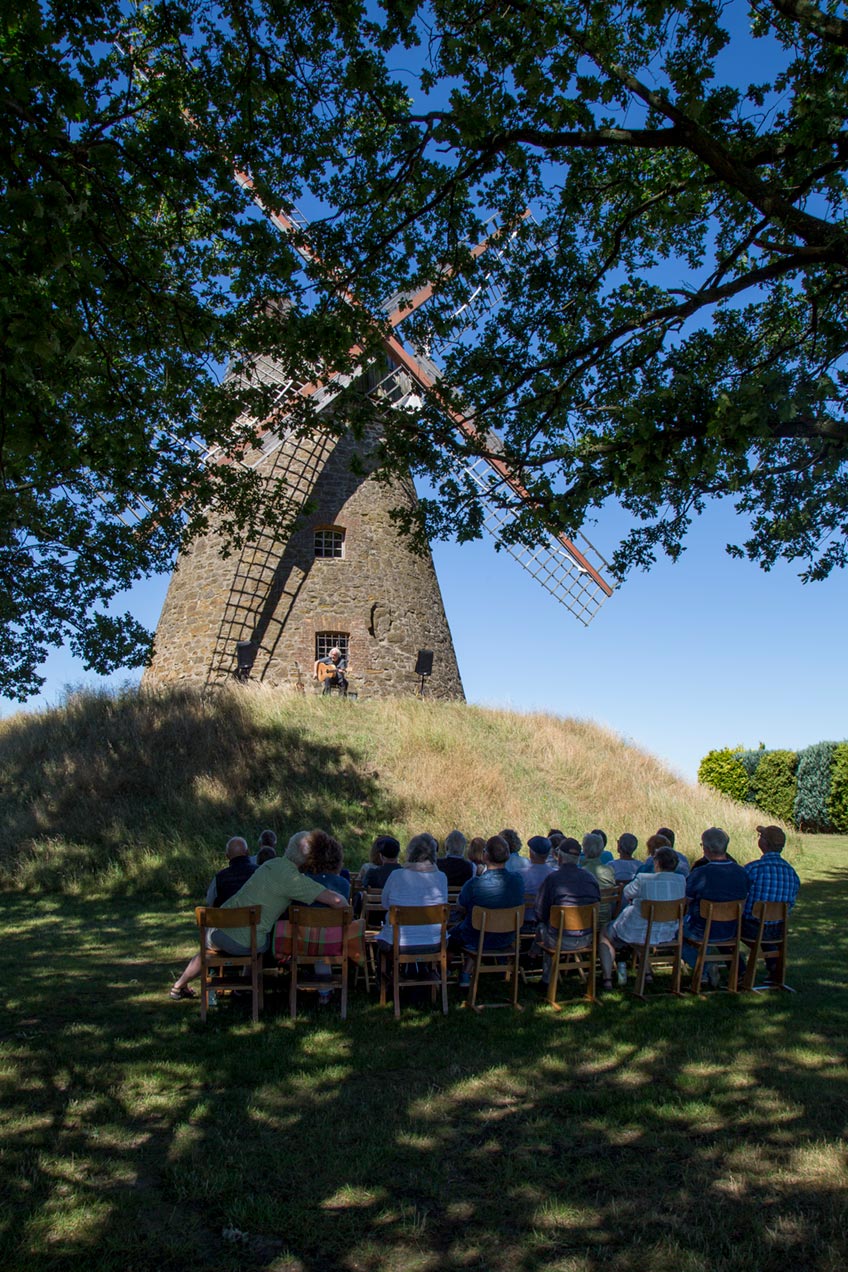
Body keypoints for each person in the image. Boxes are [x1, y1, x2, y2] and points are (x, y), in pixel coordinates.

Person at [169, 829, 348, 999]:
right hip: (251, 943)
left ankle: (179, 985)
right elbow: (337, 901)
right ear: (310, 859)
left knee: (207, 948)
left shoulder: (270, 864)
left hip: (223, 928)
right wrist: (348, 909)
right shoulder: (295, 881)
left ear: (288, 848)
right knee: (263, 936)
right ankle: (249, 986)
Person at [599, 845, 685, 989]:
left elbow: (626, 893)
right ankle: (647, 973)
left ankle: (607, 977)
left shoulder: (644, 879)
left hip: (642, 929)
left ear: (656, 863)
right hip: (666, 931)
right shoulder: (681, 880)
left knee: (605, 933)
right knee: (640, 935)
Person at [448, 835, 527, 986]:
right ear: (508, 855)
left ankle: (448, 971)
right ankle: (467, 972)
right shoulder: (517, 880)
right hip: (507, 936)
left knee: (449, 936)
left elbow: (461, 905)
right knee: (476, 926)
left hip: (476, 937)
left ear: (485, 856)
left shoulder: (474, 884)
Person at [682, 827, 750, 984]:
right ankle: (707, 972)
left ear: (706, 848)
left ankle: (705, 968)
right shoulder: (741, 872)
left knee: (674, 933)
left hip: (701, 930)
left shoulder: (700, 873)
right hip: (731, 929)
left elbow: (686, 900)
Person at [534, 837, 601, 989]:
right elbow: (597, 903)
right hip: (587, 937)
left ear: (560, 858)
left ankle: (547, 979)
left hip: (558, 939)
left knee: (543, 927)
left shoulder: (552, 879)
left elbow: (540, 912)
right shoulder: (590, 878)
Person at [741, 825, 800, 980]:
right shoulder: (791, 872)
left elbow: (740, 897)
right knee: (765, 923)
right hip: (779, 929)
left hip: (752, 928)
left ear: (764, 843)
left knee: (724, 925)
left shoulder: (753, 869)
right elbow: (791, 904)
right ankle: (774, 967)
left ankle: (739, 970)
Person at [377, 834, 449, 958]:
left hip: (398, 942)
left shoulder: (396, 875)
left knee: (383, 940)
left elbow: (385, 903)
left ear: (410, 852)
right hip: (435, 941)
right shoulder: (441, 877)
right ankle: (428, 969)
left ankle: (388, 973)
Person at [204, 836, 256, 907]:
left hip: (226, 917)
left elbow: (209, 901)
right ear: (248, 852)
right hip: (254, 917)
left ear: (227, 856)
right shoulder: (259, 871)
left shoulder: (220, 877)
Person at [580, 832, 616, 925]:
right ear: (601, 850)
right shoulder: (610, 870)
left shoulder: (581, 872)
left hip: (586, 920)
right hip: (606, 919)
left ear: (584, 849)